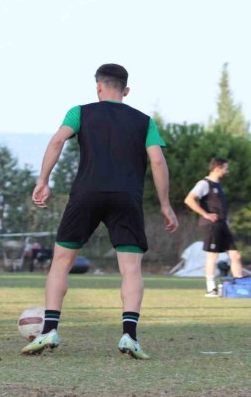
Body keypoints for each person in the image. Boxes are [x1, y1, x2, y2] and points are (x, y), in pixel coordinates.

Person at [22, 64, 178, 359]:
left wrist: (43, 180)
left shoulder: (80, 112)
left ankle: (49, 330)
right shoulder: (144, 121)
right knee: (131, 268)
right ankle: (129, 336)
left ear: (98, 87)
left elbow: (57, 140)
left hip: (86, 194)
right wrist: (165, 204)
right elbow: (157, 161)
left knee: (61, 262)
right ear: (126, 90)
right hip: (126, 198)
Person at [184, 157, 243, 297]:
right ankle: (211, 289)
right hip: (211, 225)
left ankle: (240, 287)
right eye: (226, 168)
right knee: (212, 256)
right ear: (217, 169)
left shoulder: (219, 185)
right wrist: (205, 214)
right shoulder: (204, 184)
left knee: (235, 255)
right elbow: (189, 199)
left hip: (222, 224)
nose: (227, 171)